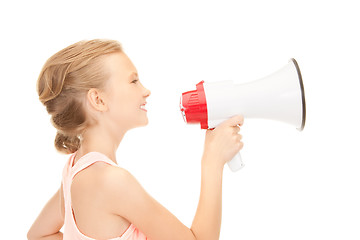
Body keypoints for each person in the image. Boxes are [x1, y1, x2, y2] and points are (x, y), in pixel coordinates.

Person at [27, 39, 244, 240]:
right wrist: (213, 162)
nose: (146, 91)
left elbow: (38, 235)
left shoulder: (74, 169)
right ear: (98, 99)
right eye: (134, 81)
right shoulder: (112, 181)